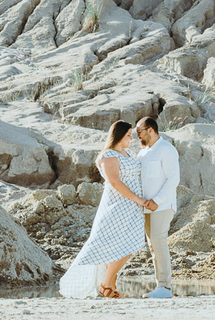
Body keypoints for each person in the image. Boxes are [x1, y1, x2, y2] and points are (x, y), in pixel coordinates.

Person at [59, 120, 157, 298]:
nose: (131, 139)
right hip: (118, 206)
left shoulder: (129, 153)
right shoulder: (108, 155)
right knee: (120, 244)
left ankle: (110, 283)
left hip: (133, 207)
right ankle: (106, 284)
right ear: (118, 136)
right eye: (128, 135)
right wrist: (139, 199)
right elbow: (114, 182)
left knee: (130, 243)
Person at [135, 115, 180, 299]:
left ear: (150, 130)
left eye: (139, 131)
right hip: (146, 207)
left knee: (158, 241)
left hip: (162, 205)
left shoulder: (167, 149)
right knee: (153, 245)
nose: (137, 135)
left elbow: (173, 179)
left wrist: (157, 200)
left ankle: (165, 287)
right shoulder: (142, 153)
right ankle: (160, 286)